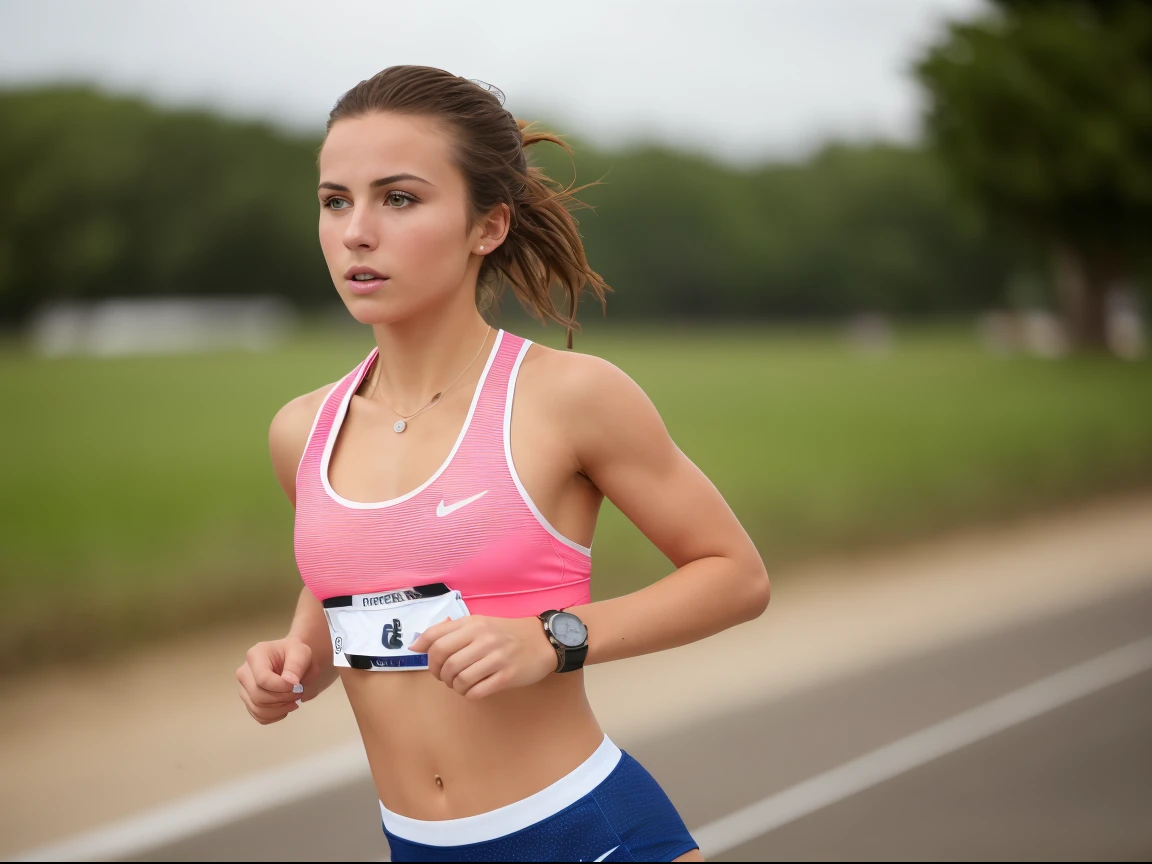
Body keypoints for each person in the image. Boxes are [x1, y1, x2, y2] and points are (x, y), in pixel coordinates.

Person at [235, 65, 770, 863]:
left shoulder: (571, 398)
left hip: (587, 835)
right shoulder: (301, 430)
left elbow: (736, 575)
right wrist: (293, 664)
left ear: (487, 227)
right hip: (415, 846)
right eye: (335, 200)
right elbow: (346, 585)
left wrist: (553, 639)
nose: (355, 232)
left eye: (400, 198)